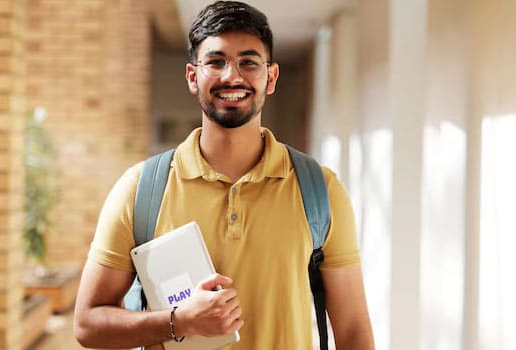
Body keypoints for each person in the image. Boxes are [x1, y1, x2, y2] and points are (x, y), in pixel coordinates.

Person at [73, 1, 374, 349]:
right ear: (192, 77)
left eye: (249, 62)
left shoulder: (320, 190)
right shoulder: (139, 190)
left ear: (270, 77)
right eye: (216, 62)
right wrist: (178, 321)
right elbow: (87, 323)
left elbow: (352, 331)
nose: (232, 76)